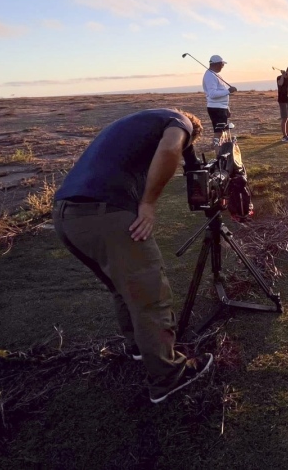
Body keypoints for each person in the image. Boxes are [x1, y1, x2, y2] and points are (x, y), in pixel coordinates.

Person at [52, 108, 213, 404]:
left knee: (121, 288)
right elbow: (170, 147)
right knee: (151, 297)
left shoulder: (131, 123)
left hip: (66, 217)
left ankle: (138, 347)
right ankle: (169, 376)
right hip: (106, 216)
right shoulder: (180, 123)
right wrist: (148, 204)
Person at [202, 55, 237, 146]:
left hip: (221, 107)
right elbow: (212, 94)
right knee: (218, 132)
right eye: (222, 64)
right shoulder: (209, 76)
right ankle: (218, 154)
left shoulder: (215, 74)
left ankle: (221, 152)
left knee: (222, 131)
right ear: (216, 64)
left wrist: (227, 107)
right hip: (216, 108)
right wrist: (228, 91)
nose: (223, 66)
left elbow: (219, 92)